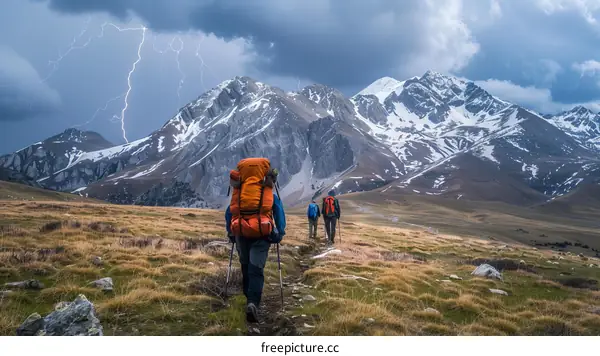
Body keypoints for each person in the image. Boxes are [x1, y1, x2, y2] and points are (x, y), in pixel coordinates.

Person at [225, 192, 286, 323]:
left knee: (245, 266)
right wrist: (280, 232)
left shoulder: (240, 192)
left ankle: (249, 299)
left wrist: (230, 232)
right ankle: (253, 303)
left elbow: (229, 212)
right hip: (262, 235)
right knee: (256, 269)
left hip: (241, 233)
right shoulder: (269, 194)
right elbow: (279, 213)